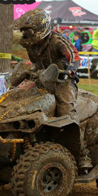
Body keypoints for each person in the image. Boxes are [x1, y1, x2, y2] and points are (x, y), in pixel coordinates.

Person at [12, 9, 92, 169]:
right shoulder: (30, 44)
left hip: (61, 80)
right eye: (24, 31)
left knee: (66, 112)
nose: (25, 34)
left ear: (40, 29)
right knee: (17, 101)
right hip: (40, 77)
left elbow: (74, 55)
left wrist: (70, 70)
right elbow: (33, 62)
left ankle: (83, 155)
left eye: (28, 30)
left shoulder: (57, 40)